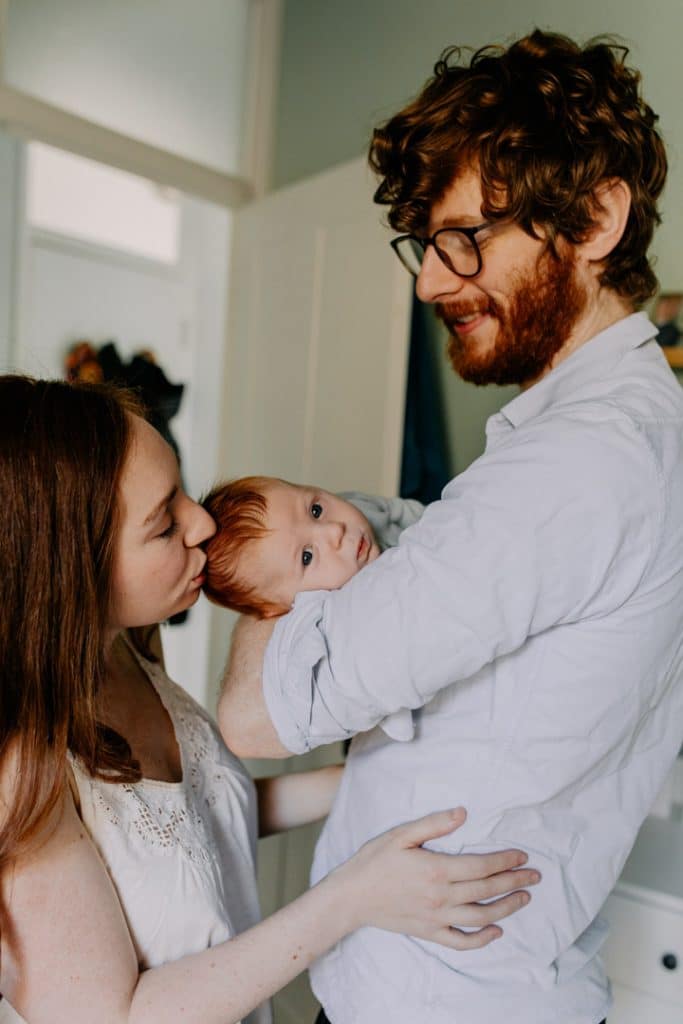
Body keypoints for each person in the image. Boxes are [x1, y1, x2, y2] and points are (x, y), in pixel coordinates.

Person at [219, 29, 683, 1024]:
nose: (429, 282)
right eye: (426, 245)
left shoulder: (574, 464)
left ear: (596, 217)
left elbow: (257, 718)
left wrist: (262, 562)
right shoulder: (610, 440)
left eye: (465, 237)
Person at [0, 375, 540, 1024]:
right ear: (67, 570)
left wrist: (384, 776)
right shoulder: (19, 773)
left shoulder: (121, 651)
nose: (203, 522)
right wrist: (354, 897)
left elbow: (193, 824)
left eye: (182, 490)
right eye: (163, 523)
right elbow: (114, 1015)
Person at [201, 475, 422, 617]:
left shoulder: (358, 507)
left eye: (315, 511)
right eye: (307, 556)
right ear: (282, 608)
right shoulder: (350, 612)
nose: (335, 530)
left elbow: (410, 512)